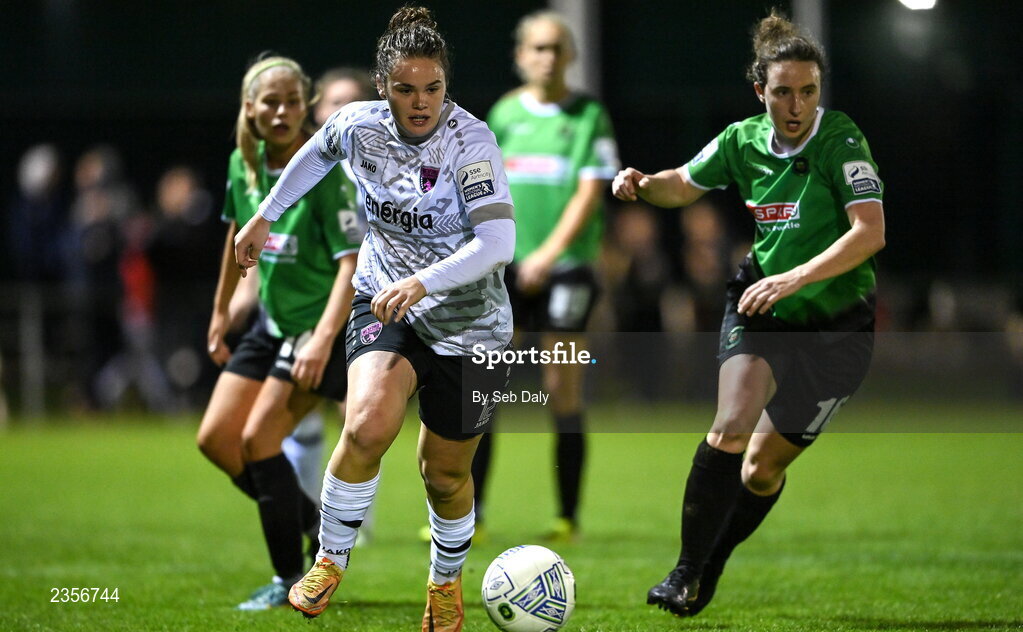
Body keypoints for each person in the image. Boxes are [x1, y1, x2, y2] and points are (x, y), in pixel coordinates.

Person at [233, 8, 515, 630]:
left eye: (433, 88)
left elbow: (497, 245)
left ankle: (444, 583)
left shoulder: (472, 143)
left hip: (472, 323)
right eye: (406, 89)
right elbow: (315, 152)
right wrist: (266, 214)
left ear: (447, 84)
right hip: (385, 298)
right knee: (364, 425)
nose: (421, 102)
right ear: (382, 86)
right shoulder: (359, 126)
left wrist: (425, 282)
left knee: (444, 475)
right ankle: (329, 560)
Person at [613, 10, 885, 617]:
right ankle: (684, 573)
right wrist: (642, 183)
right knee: (732, 425)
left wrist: (795, 277)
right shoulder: (742, 140)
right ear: (760, 90)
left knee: (761, 470)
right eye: (783, 91)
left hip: (838, 328)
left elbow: (870, 234)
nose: (797, 105)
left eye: (808, 91)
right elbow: (683, 182)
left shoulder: (841, 140)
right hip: (761, 303)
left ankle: (710, 563)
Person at [195, 54, 361, 611]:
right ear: (250, 108)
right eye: (271, 101)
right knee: (216, 440)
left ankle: (290, 576)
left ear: (306, 104)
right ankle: (315, 524)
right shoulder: (243, 165)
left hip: (320, 328)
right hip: (271, 324)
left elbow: (351, 261)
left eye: (293, 101)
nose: (284, 111)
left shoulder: (321, 167)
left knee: (258, 441)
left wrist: (320, 340)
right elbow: (234, 241)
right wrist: (220, 312)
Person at [477, 9, 619, 542]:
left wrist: (547, 254)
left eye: (557, 48)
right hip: (506, 270)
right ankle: (473, 515)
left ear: (571, 56)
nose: (548, 57)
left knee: (561, 386)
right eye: (537, 48)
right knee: (484, 388)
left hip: (569, 271)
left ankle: (566, 516)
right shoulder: (505, 114)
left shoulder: (588, 116)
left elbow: (589, 192)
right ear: (520, 56)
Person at [277, 66, 378, 506]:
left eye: (354, 103)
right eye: (336, 102)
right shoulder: (305, 169)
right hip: (308, 303)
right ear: (319, 110)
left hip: (362, 298)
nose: (345, 112)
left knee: (358, 416)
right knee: (299, 415)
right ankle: (305, 511)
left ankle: (359, 525)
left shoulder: (378, 168)